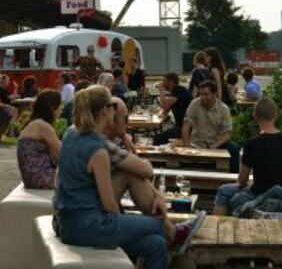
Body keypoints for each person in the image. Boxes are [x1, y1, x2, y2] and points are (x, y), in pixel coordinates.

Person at [54, 85, 206, 269]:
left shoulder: (71, 134)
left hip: (68, 224)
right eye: (113, 106)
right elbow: (109, 204)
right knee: (157, 226)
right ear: (105, 111)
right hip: (89, 226)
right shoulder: (97, 150)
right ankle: (174, 235)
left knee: (156, 244)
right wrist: (122, 228)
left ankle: (173, 236)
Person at [213, 98, 282, 215]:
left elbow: (242, 180)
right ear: (275, 115)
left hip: (260, 194)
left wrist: (244, 183)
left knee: (224, 191)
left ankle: (217, 228)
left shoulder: (253, 144)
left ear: (255, 116)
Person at [181, 80, 240, 173]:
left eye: (206, 94)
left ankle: (233, 178)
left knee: (234, 148)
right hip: (197, 142)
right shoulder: (195, 103)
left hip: (216, 143)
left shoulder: (223, 109)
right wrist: (186, 145)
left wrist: (214, 146)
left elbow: (227, 133)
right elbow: (186, 125)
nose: (202, 97)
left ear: (214, 93)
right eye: (200, 94)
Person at [17, 90, 62, 189]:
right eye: (60, 105)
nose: (62, 108)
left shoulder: (35, 122)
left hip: (33, 177)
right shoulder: (42, 126)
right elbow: (62, 151)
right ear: (53, 107)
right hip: (41, 177)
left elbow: (56, 153)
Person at [154, 73, 192, 145]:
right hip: (182, 125)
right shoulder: (178, 91)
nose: (163, 83)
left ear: (171, 81)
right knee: (162, 135)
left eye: (164, 81)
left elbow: (165, 105)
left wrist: (161, 90)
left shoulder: (178, 90)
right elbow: (166, 108)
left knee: (158, 138)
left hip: (185, 127)